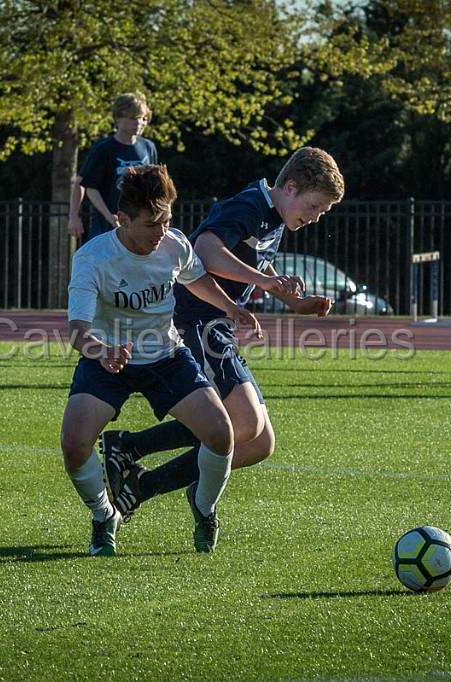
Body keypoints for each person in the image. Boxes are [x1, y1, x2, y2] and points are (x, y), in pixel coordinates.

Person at [99, 147, 345, 524]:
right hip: (195, 320)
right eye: (315, 207)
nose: (314, 218)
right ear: (291, 187)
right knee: (243, 424)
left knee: (259, 443)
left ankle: (141, 486)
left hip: (218, 327)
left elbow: (247, 267)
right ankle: (129, 446)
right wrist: (265, 280)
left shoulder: (273, 217)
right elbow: (206, 252)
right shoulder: (250, 206)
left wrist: (295, 303)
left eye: (321, 213)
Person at [59, 164, 263, 556]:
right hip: (107, 361)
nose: (162, 231)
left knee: (222, 433)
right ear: (122, 219)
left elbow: (196, 278)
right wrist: (103, 351)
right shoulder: (94, 258)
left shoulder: (174, 243)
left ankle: (204, 509)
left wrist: (230, 308)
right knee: (74, 443)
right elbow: (78, 332)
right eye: (152, 223)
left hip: (167, 357)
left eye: (167, 219)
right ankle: (105, 517)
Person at [67, 93, 158, 243]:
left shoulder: (149, 147)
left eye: (143, 118)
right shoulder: (103, 149)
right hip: (106, 227)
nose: (139, 123)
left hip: (139, 227)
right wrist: (108, 216)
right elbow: (89, 186)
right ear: (118, 118)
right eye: (133, 118)